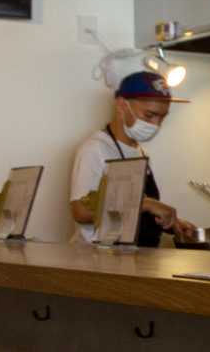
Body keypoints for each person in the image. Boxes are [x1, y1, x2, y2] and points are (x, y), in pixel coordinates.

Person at [69, 70, 200, 246]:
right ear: (122, 105)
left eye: (162, 117)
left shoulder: (142, 152)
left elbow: (134, 214)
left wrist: (171, 223)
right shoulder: (95, 149)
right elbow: (81, 212)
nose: (156, 124)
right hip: (98, 261)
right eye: (149, 115)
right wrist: (146, 204)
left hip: (133, 258)